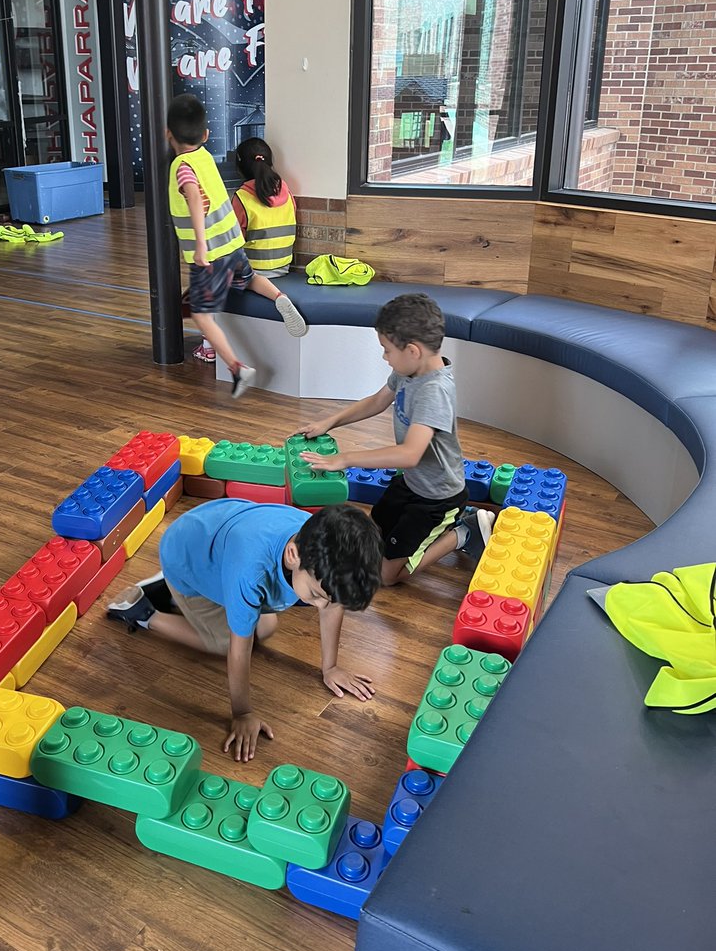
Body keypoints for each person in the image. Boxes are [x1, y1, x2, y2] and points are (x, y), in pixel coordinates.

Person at [107, 499, 383, 762]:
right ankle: (142, 610)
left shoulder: (322, 543)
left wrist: (331, 667)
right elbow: (239, 648)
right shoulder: (250, 571)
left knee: (265, 626)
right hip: (187, 560)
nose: (322, 605)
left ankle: (170, 591)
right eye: (315, 595)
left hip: (211, 531)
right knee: (227, 641)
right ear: (293, 556)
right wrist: (242, 713)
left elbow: (331, 605)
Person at [300, 292, 495, 587]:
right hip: (412, 483)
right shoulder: (409, 372)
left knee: (386, 577)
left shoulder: (434, 391)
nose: (384, 357)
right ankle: (448, 526)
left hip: (436, 497)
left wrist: (345, 458)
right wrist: (330, 422)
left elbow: (409, 454)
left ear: (413, 351)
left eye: (387, 349)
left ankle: (463, 533)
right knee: (374, 532)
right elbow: (378, 400)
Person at [167, 94, 306, 398]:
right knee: (250, 279)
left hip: (212, 254)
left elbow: (191, 194)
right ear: (205, 136)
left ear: (168, 134)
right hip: (234, 247)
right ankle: (280, 297)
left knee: (202, 313)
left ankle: (235, 366)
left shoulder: (182, 165)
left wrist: (201, 245)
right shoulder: (204, 158)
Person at [194, 136, 297, 363]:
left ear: (240, 165)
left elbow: (233, 243)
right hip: (283, 267)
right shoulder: (287, 192)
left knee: (207, 280)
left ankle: (208, 346)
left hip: (254, 272)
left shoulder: (242, 197)